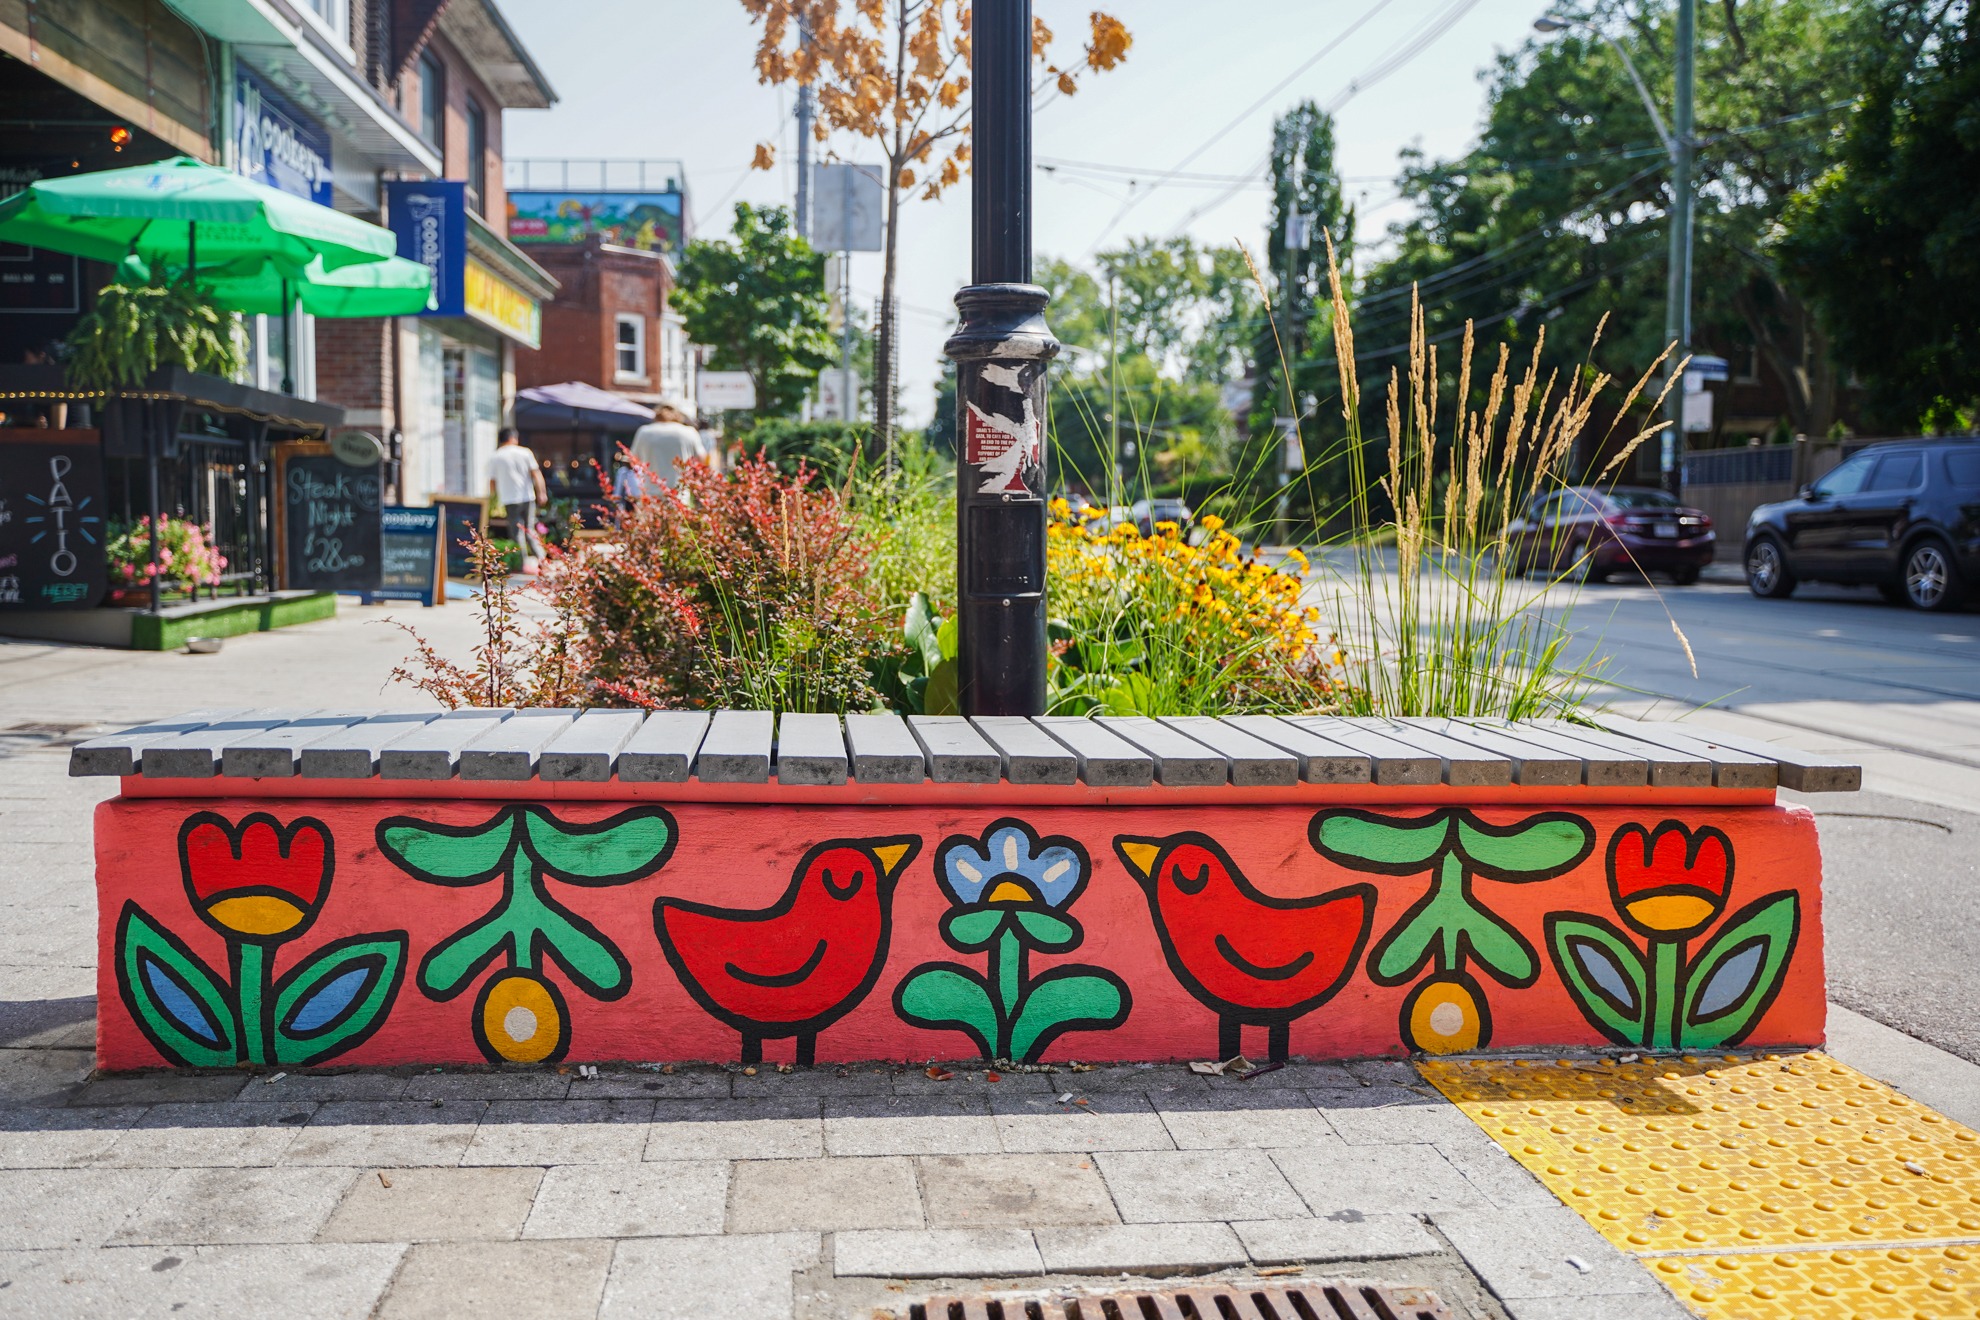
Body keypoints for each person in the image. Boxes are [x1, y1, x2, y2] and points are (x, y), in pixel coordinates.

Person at [487, 427, 548, 567]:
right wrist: (541, 492)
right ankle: (542, 559)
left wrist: (493, 500)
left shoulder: (495, 456)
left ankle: (521, 563)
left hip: (509, 498)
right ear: (512, 438)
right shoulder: (525, 452)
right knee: (530, 529)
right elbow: (536, 474)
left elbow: (492, 481)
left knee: (516, 533)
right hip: (527, 496)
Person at [629, 403, 710, 484]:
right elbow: (702, 459)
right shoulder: (689, 432)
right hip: (680, 491)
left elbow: (633, 460)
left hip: (650, 491)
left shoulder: (644, 432)